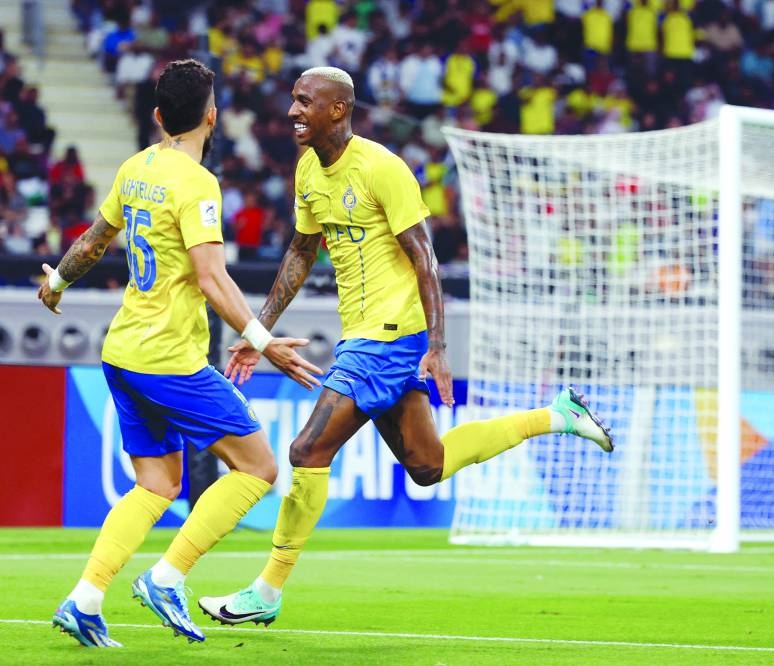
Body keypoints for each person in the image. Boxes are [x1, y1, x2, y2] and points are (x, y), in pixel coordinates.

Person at [197, 66, 614, 626]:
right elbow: (300, 252)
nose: (293, 111)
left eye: (304, 101)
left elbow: (425, 256)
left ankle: (267, 592)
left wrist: (437, 344)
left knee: (306, 452)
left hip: (387, 339)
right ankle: (556, 416)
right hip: (367, 337)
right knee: (427, 465)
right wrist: (259, 332)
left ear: (338, 110)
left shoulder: (381, 168)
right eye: (293, 100)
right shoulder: (308, 172)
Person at [40, 59, 323, 648]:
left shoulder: (136, 167)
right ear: (213, 116)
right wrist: (266, 343)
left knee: (156, 484)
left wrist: (58, 284)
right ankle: (167, 577)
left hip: (122, 352)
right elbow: (213, 277)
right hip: (169, 358)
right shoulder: (197, 184)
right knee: (259, 468)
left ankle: (85, 600)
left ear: (159, 116)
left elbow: (94, 241)